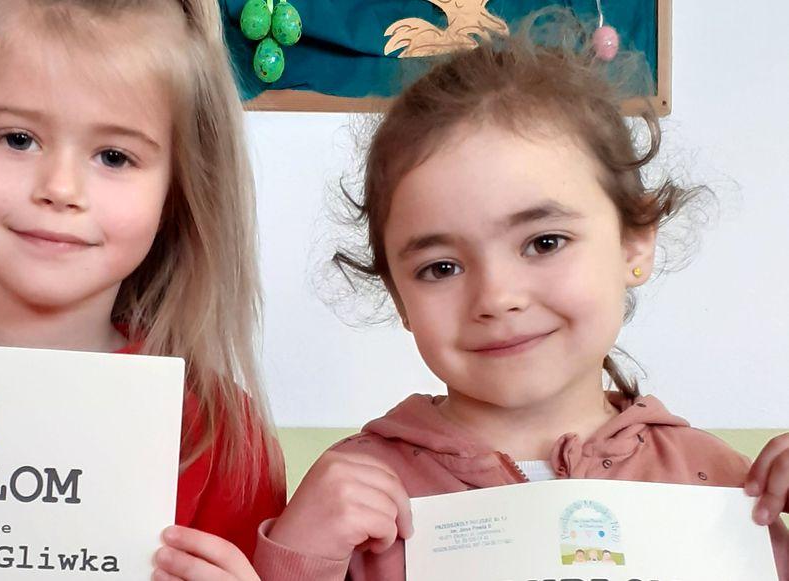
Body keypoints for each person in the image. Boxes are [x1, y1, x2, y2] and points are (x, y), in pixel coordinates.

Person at [253, 14, 789, 581]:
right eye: (441, 268)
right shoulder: (350, 501)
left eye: (544, 242)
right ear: (399, 297)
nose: (497, 297)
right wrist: (296, 558)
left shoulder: (722, 485)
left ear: (634, 243)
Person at [0, 1, 285, 578]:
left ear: (178, 192)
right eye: (17, 139)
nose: (60, 189)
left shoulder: (222, 440)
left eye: (114, 156)